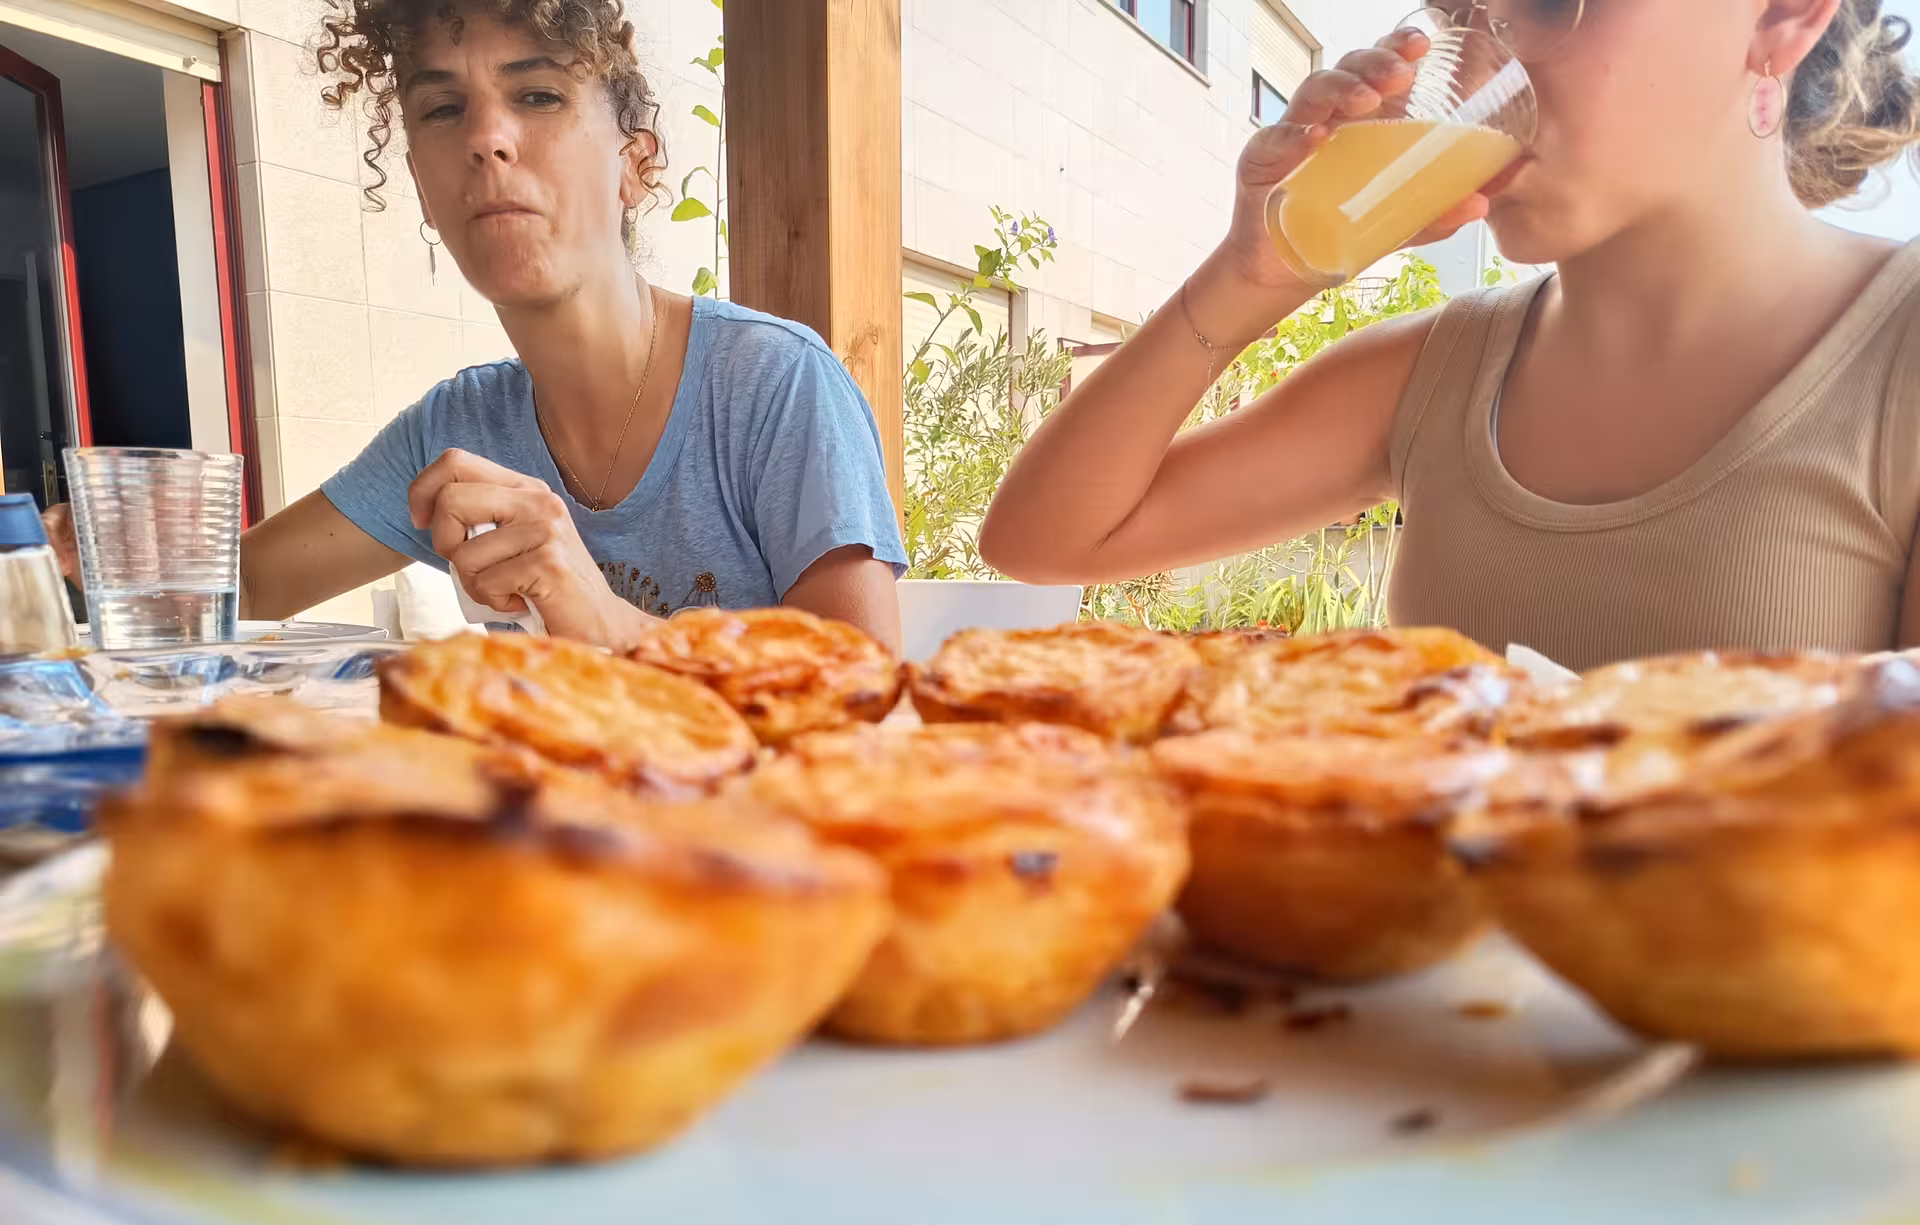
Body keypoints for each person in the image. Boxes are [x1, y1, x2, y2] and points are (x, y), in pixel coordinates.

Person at [981, 0, 1920, 671]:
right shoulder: (1444, 370)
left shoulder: (1898, 353)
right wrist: (1250, 277)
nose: (1475, 74)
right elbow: (1047, 537)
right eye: (1457, 12)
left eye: (1550, 3)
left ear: (1784, 18)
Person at [48, 0, 906, 651]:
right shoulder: (458, 430)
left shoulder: (774, 383)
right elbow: (247, 588)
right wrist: (123, 547)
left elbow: (863, 704)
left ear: (634, 165)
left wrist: (609, 622)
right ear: (420, 181)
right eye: (443, 109)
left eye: (537, 95)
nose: (488, 139)